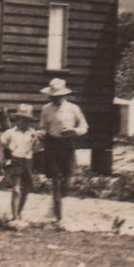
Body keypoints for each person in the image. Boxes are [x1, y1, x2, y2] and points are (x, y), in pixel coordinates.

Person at [39, 78, 89, 222]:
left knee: (67, 182)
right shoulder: (46, 109)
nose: (54, 99)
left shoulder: (73, 109)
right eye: (52, 96)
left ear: (64, 95)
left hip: (67, 145)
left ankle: (58, 203)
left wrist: (74, 131)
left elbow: (84, 127)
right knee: (55, 179)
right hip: (52, 144)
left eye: (57, 96)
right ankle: (57, 216)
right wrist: (41, 133)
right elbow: (43, 127)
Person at [0, 106, 41, 222]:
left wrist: (36, 142)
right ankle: (14, 216)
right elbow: (1, 145)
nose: (24, 122)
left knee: (26, 189)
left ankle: (19, 213)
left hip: (28, 161)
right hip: (15, 161)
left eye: (27, 120)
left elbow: (36, 149)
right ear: (17, 119)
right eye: (22, 119)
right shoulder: (10, 133)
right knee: (16, 189)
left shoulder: (32, 133)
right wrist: (2, 159)